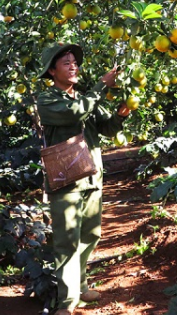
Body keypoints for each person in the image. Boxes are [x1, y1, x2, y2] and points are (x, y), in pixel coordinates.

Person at [36, 43, 131, 315]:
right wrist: (101, 85)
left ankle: (81, 285)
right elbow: (75, 113)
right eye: (66, 62)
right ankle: (66, 302)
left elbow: (108, 128)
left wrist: (122, 114)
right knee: (67, 241)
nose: (73, 65)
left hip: (91, 178)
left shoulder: (84, 98)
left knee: (90, 234)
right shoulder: (48, 100)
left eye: (74, 62)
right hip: (66, 182)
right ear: (52, 71)